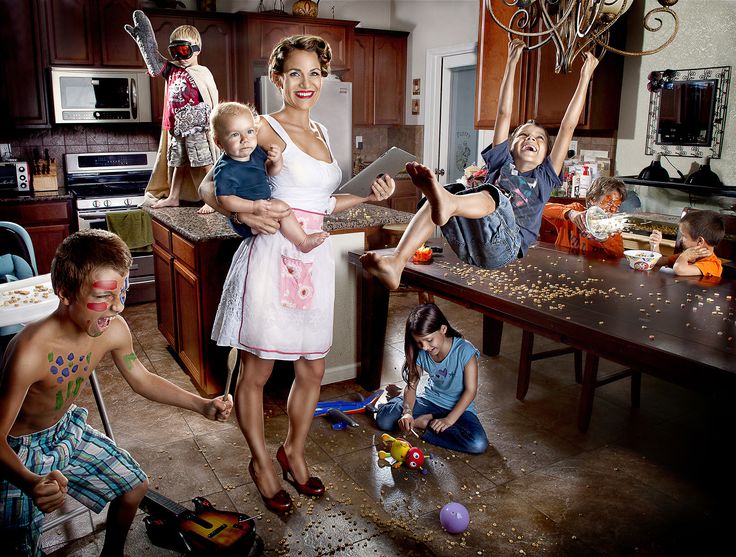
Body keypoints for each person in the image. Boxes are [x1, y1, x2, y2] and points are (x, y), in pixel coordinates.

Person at [198, 35, 395, 514]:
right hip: (270, 262)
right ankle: (262, 463)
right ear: (277, 79)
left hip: (312, 263)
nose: (306, 83)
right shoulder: (263, 128)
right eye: (295, 74)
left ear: (324, 78)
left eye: (315, 73)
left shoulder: (325, 133)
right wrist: (243, 214)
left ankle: (294, 452)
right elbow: (209, 182)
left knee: (313, 368)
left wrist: (368, 197)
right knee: (259, 370)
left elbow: (322, 203)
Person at [0, 229, 233, 557]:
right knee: (20, 545)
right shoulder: (29, 352)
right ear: (64, 292)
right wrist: (29, 481)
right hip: (17, 450)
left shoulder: (112, 330)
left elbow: (142, 378)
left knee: (134, 486)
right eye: (105, 296)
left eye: (122, 292)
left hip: (65, 430)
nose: (118, 307)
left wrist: (202, 405)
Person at [360, 39, 599, 290]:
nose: (531, 139)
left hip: (506, 246)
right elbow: (504, 114)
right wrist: (511, 63)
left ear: (546, 154)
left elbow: (567, 126)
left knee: (491, 195)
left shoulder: (546, 176)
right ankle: (396, 263)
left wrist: (585, 77)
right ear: (510, 145)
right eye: (523, 136)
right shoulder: (501, 162)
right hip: (471, 243)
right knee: (449, 193)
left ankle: (448, 203)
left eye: (539, 139)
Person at [125, 10, 219, 213]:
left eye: (184, 51)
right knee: (177, 162)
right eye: (175, 52)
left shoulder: (202, 73)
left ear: (197, 49)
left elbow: (211, 102)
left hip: (197, 128)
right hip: (176, 128)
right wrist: (145, 42)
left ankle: (212, 198)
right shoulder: (172, 70)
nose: (180, 57)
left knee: (205, 162)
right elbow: (155, 62)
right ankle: (174, 197)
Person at [210, 101, 328, 252]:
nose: (245, 139)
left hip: (263, 204)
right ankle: (302, 241)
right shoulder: (225, 169)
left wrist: (277, 161)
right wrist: (252, 207)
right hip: (245, 219)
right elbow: (224, 199)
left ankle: (302, 240)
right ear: (219, 142)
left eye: (250, 132)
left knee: (284, 209)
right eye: (235, 134)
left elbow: (269, 171)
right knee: (279, 212)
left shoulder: (256, 153)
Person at [375, 303, 488, 455]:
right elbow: (412, 386)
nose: (425, 347)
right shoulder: (422, 353)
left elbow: (470, 391)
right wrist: (407, 412)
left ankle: (426, 423)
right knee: (384, 421)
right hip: (430, 400)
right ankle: (400, 401)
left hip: (460, 409)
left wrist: (448, 420)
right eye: (419, 342)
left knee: (478, 444)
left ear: (443, 329)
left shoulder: (465, 351)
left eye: (429, 340)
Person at [542, 176, 628, 258]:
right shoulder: (576, 210)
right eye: (609, 203)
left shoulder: (613, 228)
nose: (613, 209)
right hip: (563, 266)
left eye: (617, 206)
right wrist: (569, 213)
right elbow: (539, 208)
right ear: (593, 199)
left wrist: (605, 240)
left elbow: (619, 256)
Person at [649, 209, 725, 277]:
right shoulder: (689, 255)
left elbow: (679, 269)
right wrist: (655, 244)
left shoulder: (712, 264)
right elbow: (659, 262)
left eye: (684, 236)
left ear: (700, 241)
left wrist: (684, 257)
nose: (680, 239)